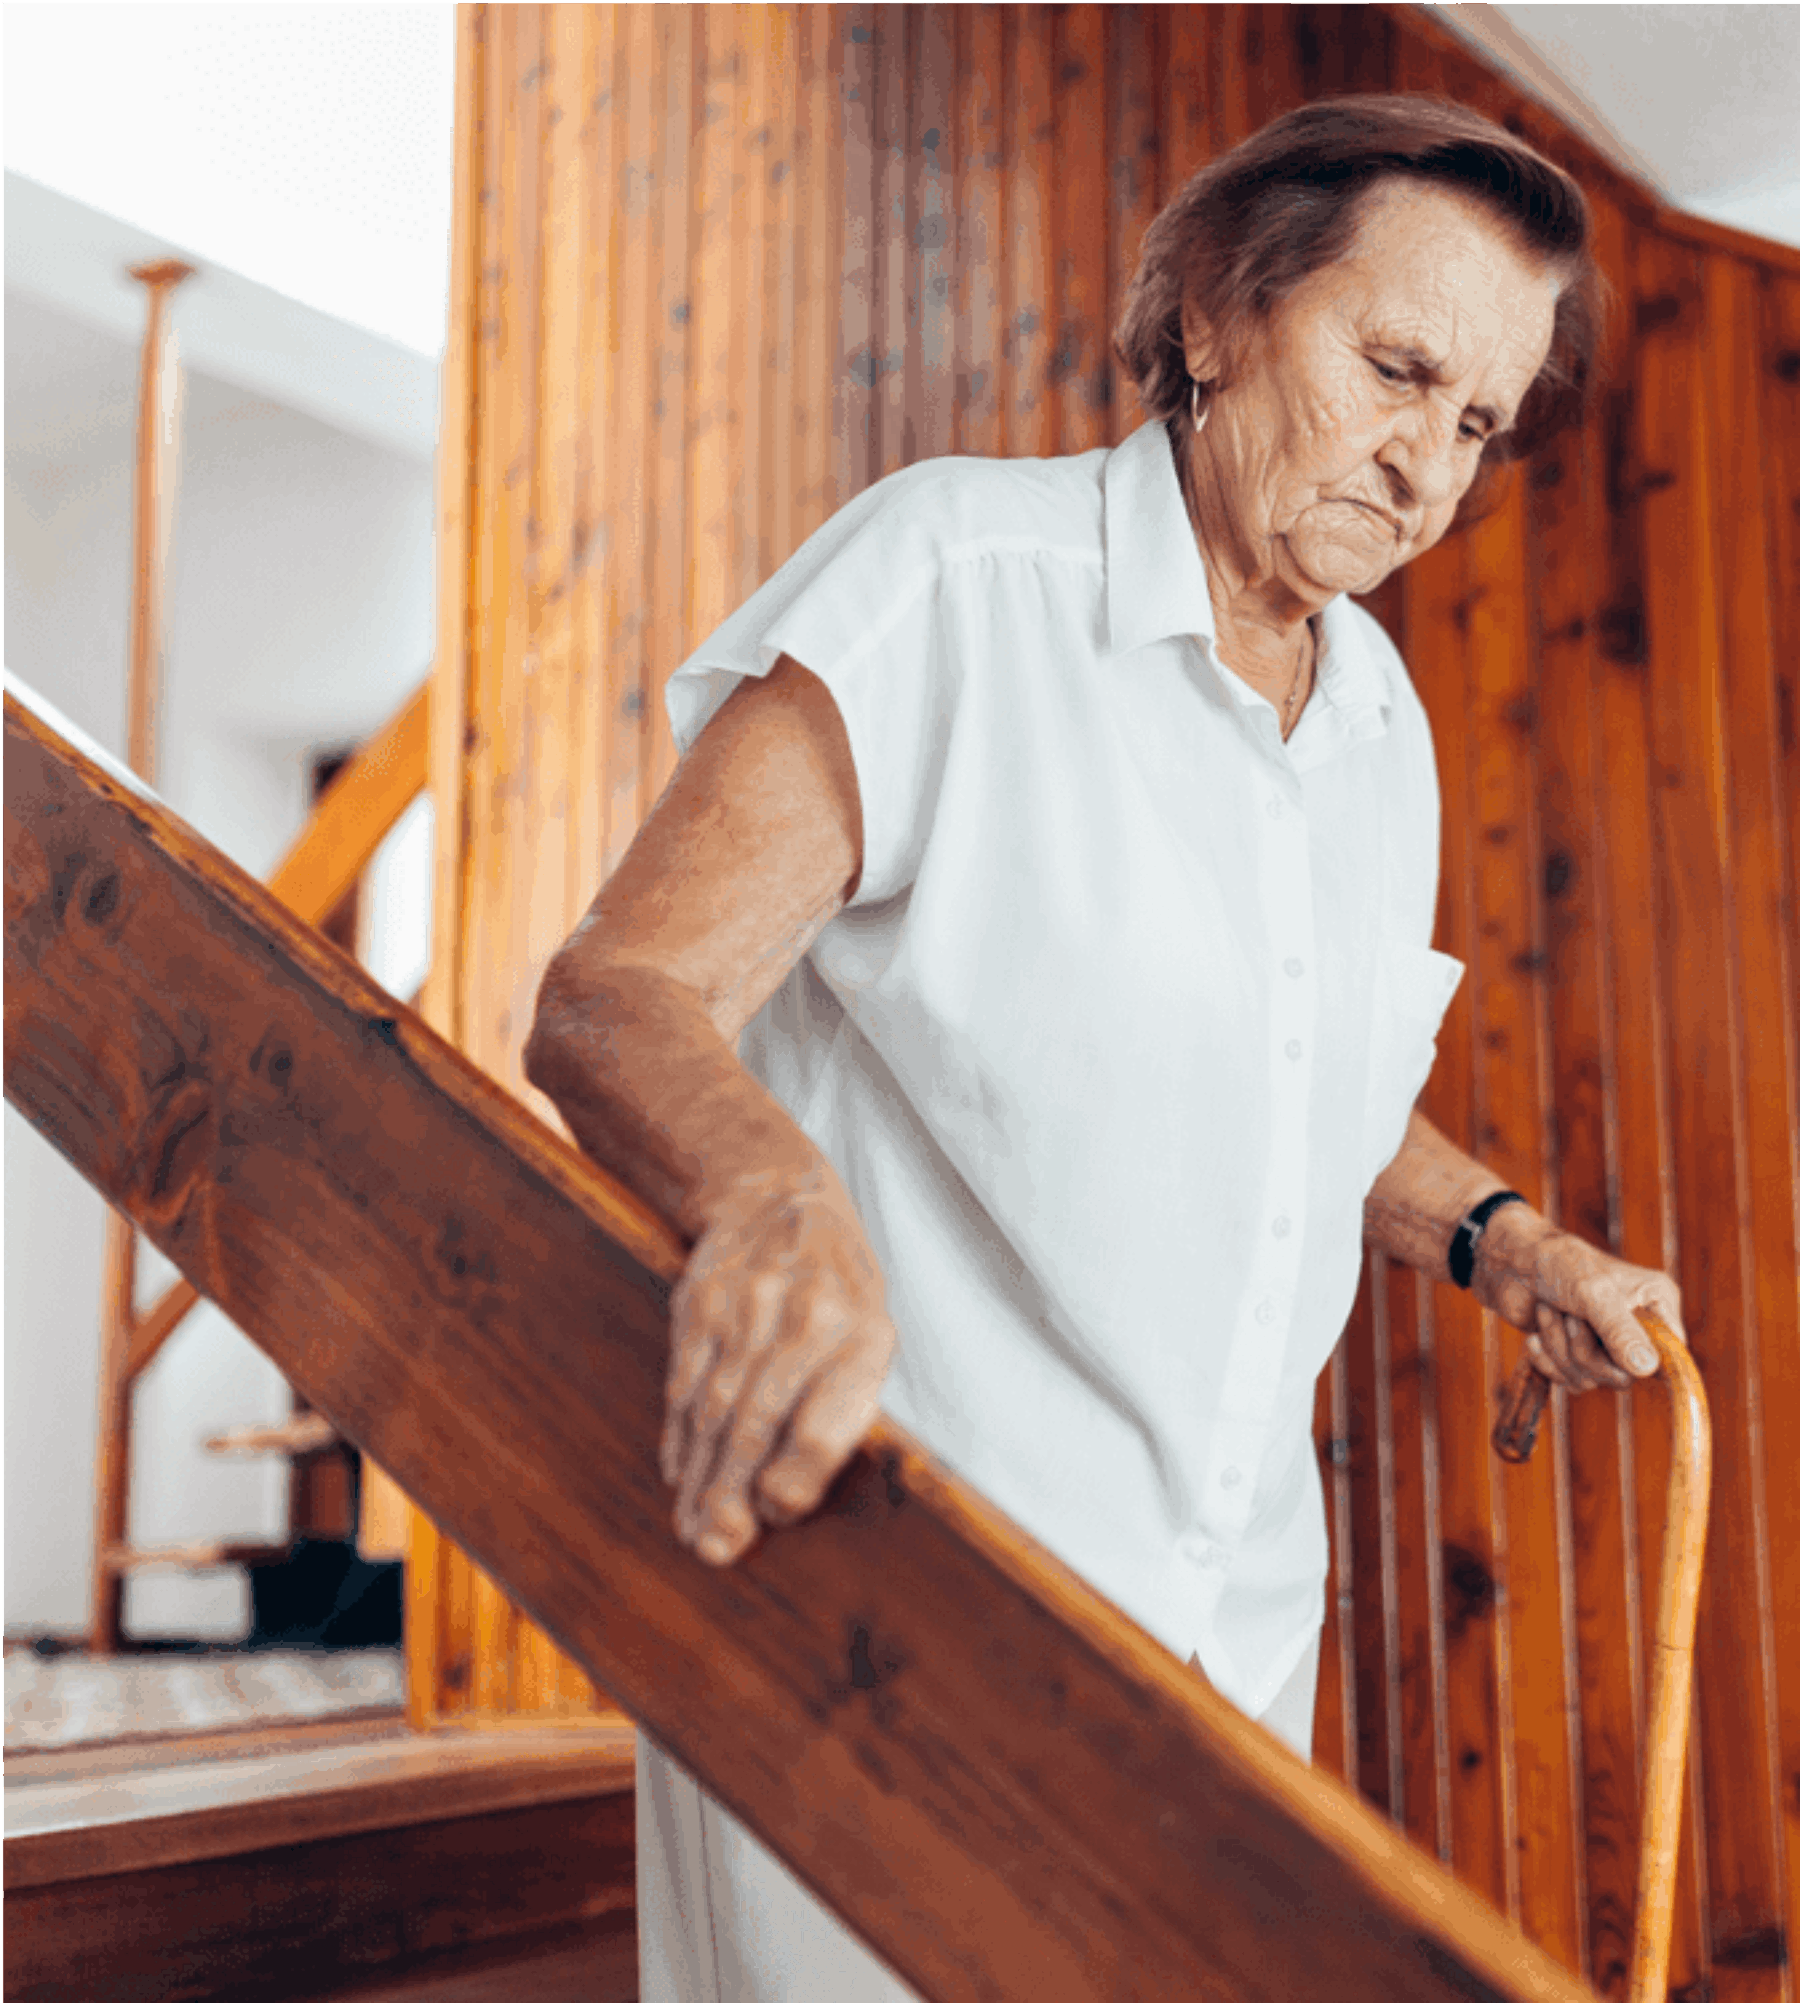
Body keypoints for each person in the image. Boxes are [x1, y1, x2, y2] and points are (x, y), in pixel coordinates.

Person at [525, 93, 1686, 2003]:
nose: (1425, 466)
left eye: (1477, 422)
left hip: (1226, 1658)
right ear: (1220, 314)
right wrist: (771, 1207)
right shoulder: (956, 579)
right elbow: (616, 996)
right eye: (1397, 368)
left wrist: (1513, 1245)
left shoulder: (1377, 724)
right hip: (893, 1613)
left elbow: (1322, 1097)